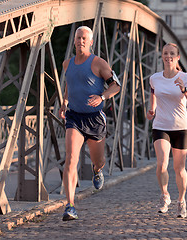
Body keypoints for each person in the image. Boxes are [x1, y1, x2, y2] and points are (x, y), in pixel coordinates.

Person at [59, 26, 121, 221]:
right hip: (74, 118)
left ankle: (97, 170)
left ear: (91, 42)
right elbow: (70, 83)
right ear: (75, 41)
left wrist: (102, 96)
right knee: (70, 159)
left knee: (98, 160)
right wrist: (65, 101)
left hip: (94, 119)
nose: (81, 41)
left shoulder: (98, 63)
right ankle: (70, 206)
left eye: (85, 38)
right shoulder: (67, 64)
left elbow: (116, 85)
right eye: (78, 38)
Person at [146, 43, 187, 218]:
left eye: (172, 54)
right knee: (161, 164)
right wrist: (151, 109)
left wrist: (184, 90)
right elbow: (153, 94)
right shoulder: (154, 78)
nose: (168, 56)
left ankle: (181, 201)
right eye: (165, 53)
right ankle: (165, 195)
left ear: (177, 57)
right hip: (160, 126)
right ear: (162, 56)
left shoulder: (185, 78)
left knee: (179, 168)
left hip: (181, 128)